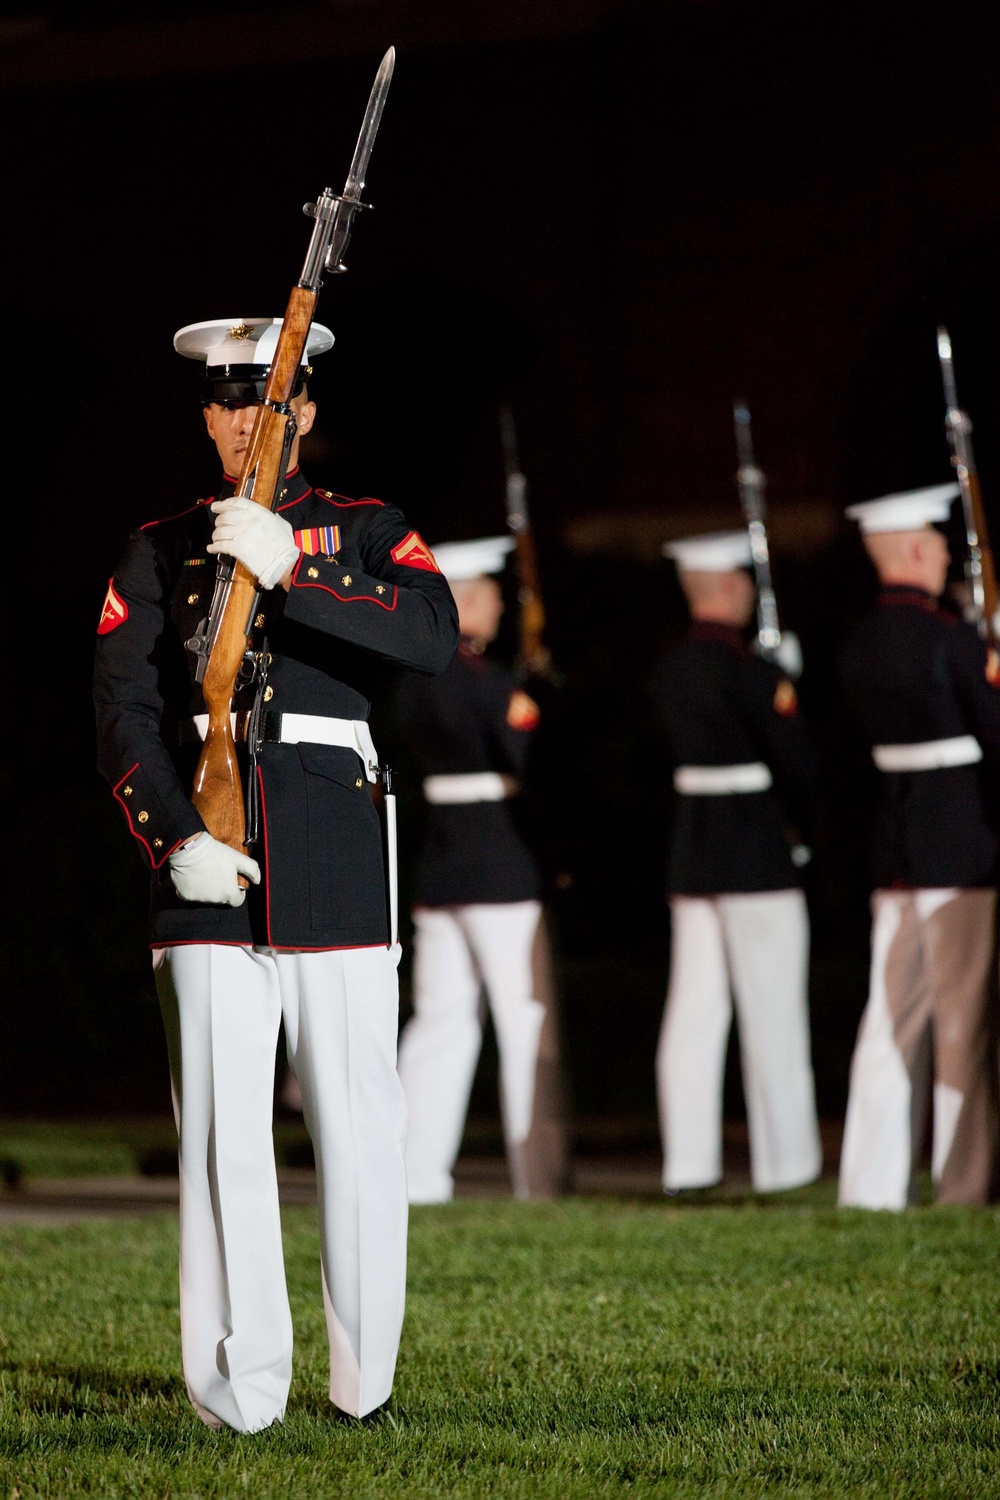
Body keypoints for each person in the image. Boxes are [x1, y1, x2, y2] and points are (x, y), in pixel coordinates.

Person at [93, 316, 458, 1431]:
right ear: (208, 417)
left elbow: (432, 637)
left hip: (336, 850)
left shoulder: (364, 527)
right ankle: (237, 1389)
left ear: (304, 414)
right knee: (219, 1137)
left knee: (357, 1122)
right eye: (230, 402)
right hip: (204, 864)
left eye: (272, 400)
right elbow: (124, 708)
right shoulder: (156, 547)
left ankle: (365, 1387)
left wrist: (291, 568)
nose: (251, 420)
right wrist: (174, 837)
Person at [387, 535, 570, 1204]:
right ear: (466, 601)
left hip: (442, 868)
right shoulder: (490, 684)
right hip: (501, 867)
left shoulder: (415, 680)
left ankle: (413, 1173)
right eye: (490, 594)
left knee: (440, 1022)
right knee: (524, 1020)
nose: (498, 604)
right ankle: (539, 1177)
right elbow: (536, 769)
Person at [837, 482, 1000, 1209]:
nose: (943, 559)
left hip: (893, 841)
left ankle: (870, 1186)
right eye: (936, 547)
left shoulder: (859, 640)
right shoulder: (948, 637)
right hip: (958, 843)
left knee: (889, 1016)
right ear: (913, 550)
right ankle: (963, 1183)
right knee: (962, 1017)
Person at [651, 530, 823, 1195]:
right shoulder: (754, 670)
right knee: (771, 1011)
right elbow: (797, 763)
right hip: (755, 849)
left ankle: (687, 1163)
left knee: (693, 1013)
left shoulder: (669, 667)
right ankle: (788, 1163)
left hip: (695, 850)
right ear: (729, 588)